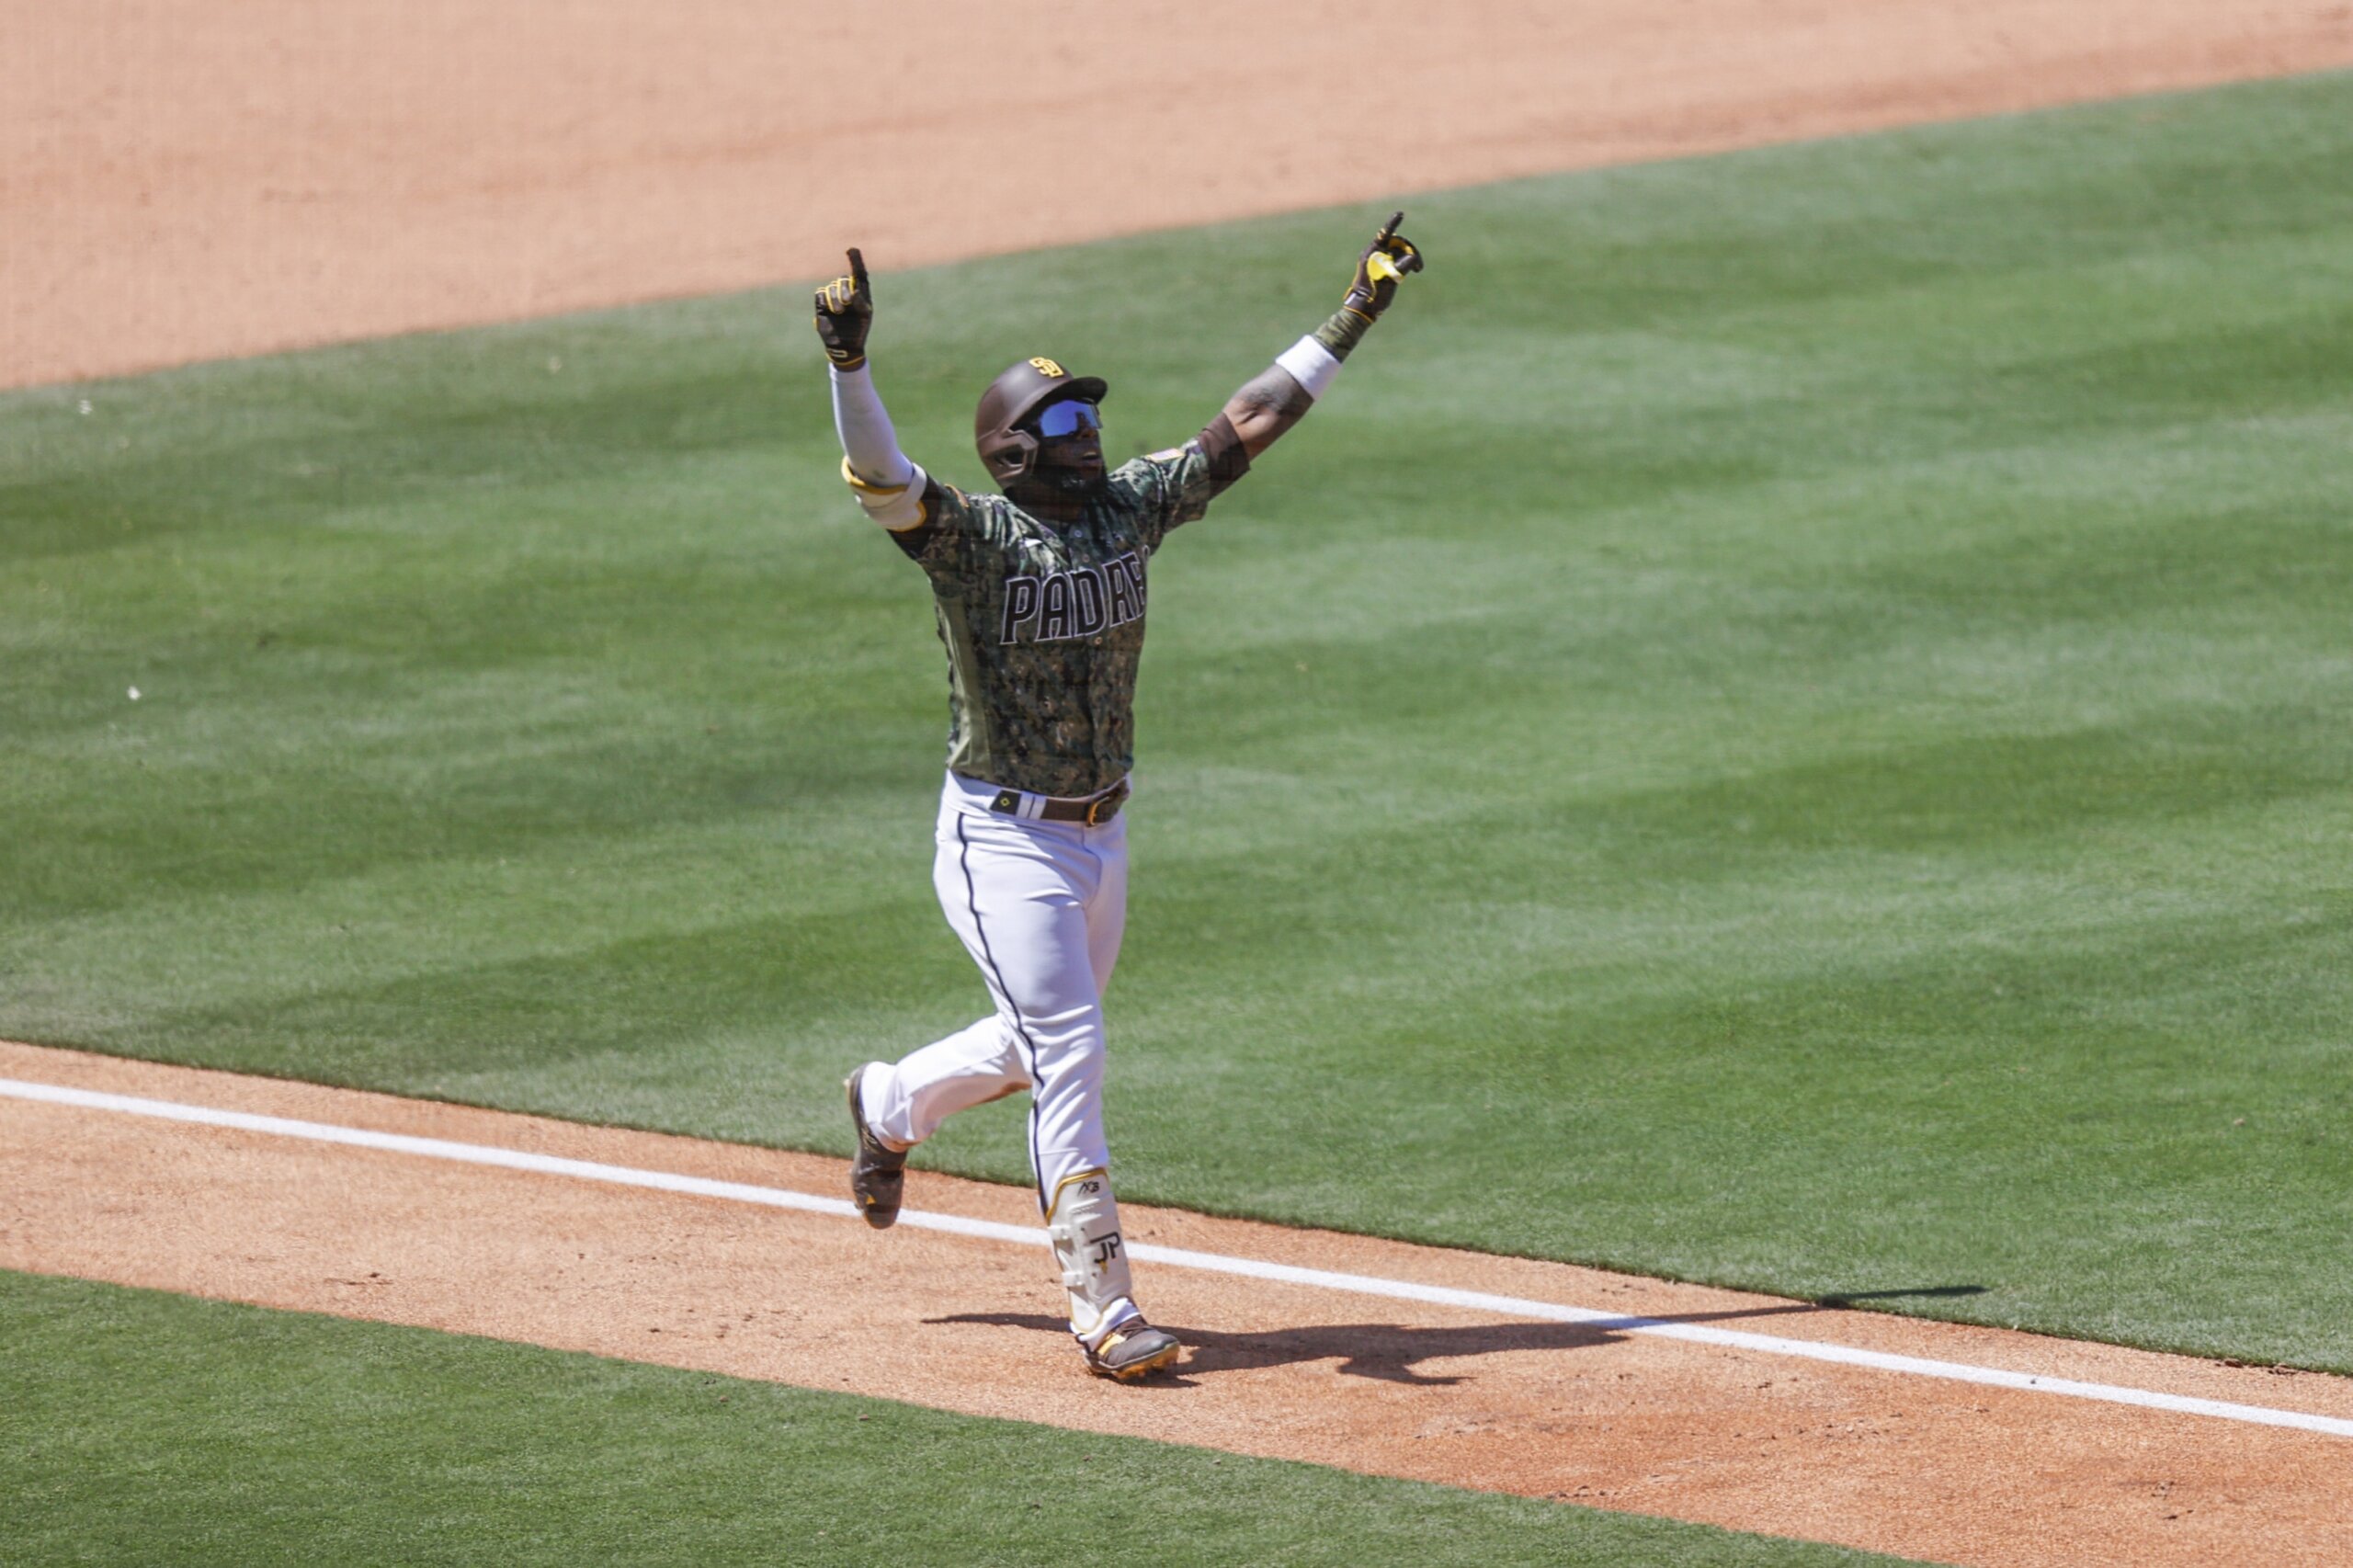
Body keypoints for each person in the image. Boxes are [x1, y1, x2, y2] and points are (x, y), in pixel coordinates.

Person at [815, 216, 1423, 1380]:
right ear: (1009, 449)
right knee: (1073, 1049)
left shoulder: (1128, 509)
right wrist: (849, 363)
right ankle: (1104, 1305)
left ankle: (889, 1100)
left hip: (1104, 830)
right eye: (1063, 420)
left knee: (1039, 1043)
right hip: (1004, 840)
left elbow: (1246, 423)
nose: (1089, 431)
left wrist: (1352, 311)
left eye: (1089, 414)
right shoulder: (974, 542)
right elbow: (884, 479)